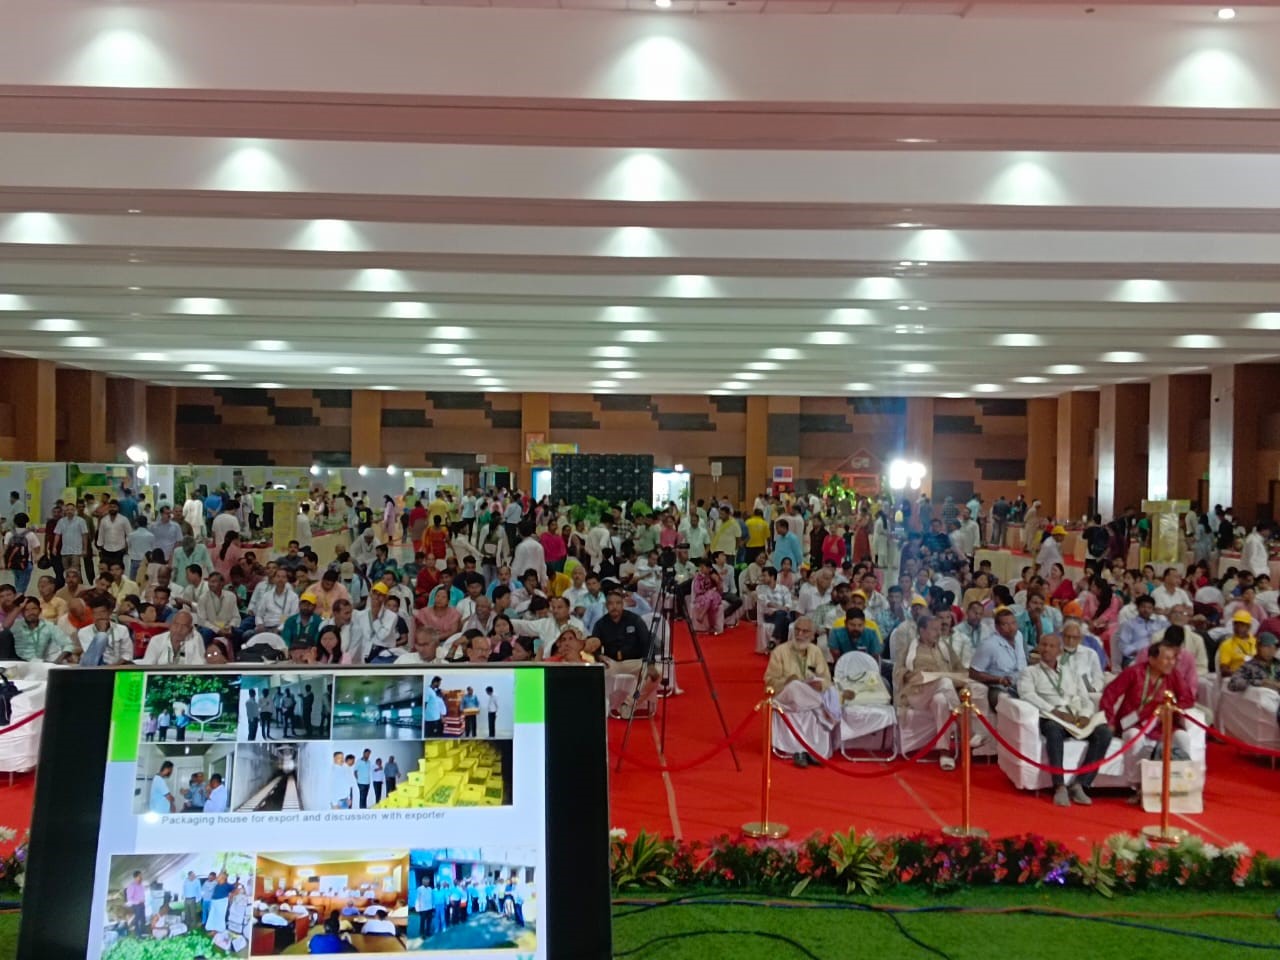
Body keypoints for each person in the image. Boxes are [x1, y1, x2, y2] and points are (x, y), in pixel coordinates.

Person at [1018, 633, 1113, 806]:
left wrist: (1084, 715)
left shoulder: (1071, 672)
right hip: (1052, 717)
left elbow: (1085, 698)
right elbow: (1027, 694)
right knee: (1053, 730)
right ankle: (1059, 786)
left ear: (1059, 651)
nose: (1046, 649)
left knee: (1104, 733)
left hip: (1076, 718)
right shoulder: (1029, 672)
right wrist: (1054, 711)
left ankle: (1080, 784)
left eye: (1051, 646)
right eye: (1043, 645)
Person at [1100, 637, 1196, 800]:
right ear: (1152, 660)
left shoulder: (1173, 675)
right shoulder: (1134, 672)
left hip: (1162, 724)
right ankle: (1137, 787)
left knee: (1183, 738)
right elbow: (1110, 694)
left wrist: (1171, 708)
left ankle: (1182, 786)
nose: (1171, 663)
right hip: (1134, 722)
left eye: (1173, 658)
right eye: (1166, 658)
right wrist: (1109, 721)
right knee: (1133, 738)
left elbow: (1188, 698)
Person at [763, 616, 836, 767]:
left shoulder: (816, 652)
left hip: (807, 699)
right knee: (796, 686)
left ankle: (809, 751)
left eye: (805, 631)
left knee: (826, 690)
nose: (800, 634)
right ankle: (801, 748)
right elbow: (769, 681)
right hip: (785, 696)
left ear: (812, 635)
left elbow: (826, 679)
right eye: (797, 630)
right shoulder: (779, 651)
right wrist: (786, 681)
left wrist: (820, 685)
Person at [969, 608, 1028, 712]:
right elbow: (973, 673)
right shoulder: (989, 645)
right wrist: (999, 680)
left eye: (1013, 623)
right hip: (999, 687)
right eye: (1005, 625)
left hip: (1022, 684)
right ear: (997, 627)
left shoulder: (1019, 636)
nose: (1011, 628)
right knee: (1012, 706)